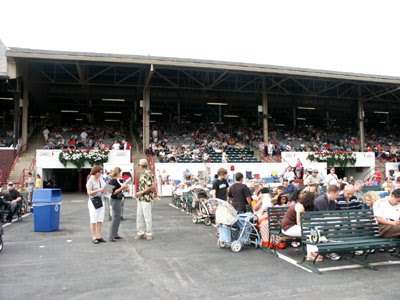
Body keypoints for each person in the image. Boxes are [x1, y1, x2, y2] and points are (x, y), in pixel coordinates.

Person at [281, 192, 320, 258]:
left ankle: (312, 252)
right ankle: (310, 254)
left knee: (312, 231)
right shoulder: (300, 206)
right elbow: (299, 222)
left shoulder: (303, 206)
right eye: (314, 199)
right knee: (310, 232)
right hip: (288, 227)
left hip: (292, 226)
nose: (315, 201)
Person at [135, 159, 156, 241]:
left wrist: (141, 192)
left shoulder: (148, 173)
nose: (138, 166)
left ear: (141, 165)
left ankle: (149, 233)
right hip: (141, 198)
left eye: (139, 165)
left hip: (147, 197)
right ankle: (140, 232)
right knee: (139, 216)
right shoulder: (142, 174)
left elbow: (151, 186)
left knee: (147, 216)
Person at [108, 167, 130, 242]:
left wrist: (124, 188)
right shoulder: (113, 180)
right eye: (120, 172)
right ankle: (112, 236)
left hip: (117, 199)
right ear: (117, 173)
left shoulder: (115, 180)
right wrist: (122, 188)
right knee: (115, 218)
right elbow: (113, 192)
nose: (121, 174)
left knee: (117, 218)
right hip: (115, 199)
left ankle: (115, 234)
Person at [86, 166, 106, 244]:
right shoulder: (90, 181)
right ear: (95, 172)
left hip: (101, 200)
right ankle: (94, 236)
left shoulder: (101, 180)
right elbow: (89, 192)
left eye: (101, 172)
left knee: (100, 219)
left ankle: (98, 236)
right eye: (99, 172)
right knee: (93, 219)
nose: (100, 174)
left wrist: (108, 190)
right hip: (93, 201)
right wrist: (98, 190)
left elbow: (104, 188)